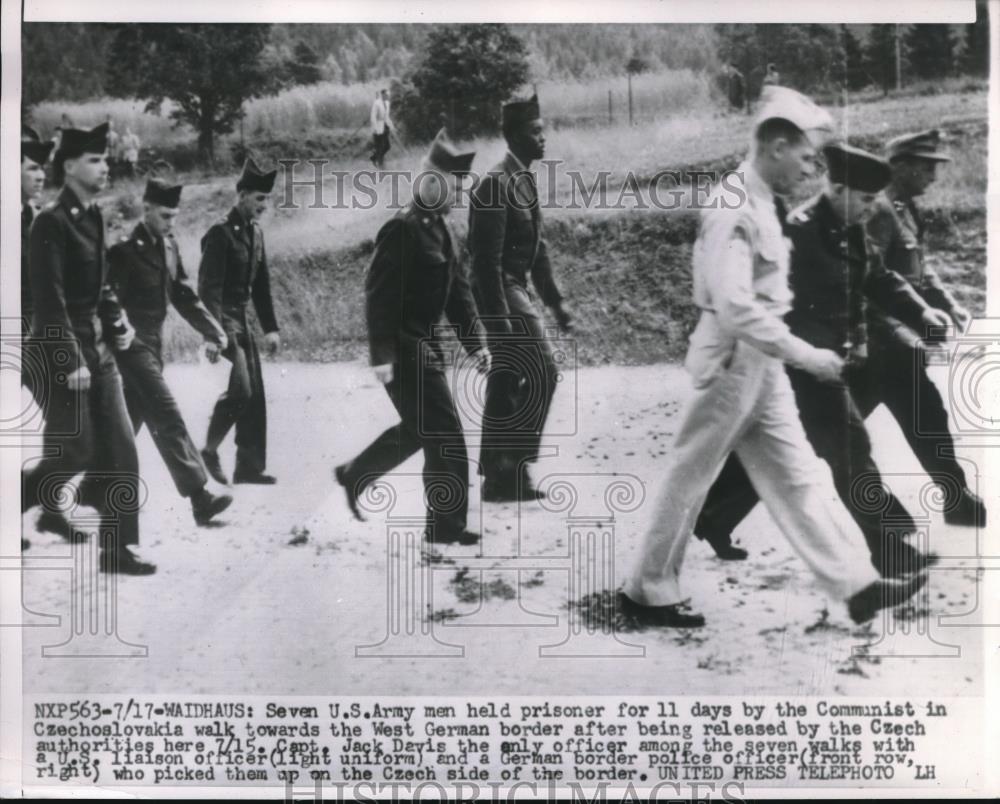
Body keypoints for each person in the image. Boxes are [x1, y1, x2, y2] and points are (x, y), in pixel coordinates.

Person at [619, 89, 926, 628]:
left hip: (761, 362)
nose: (812, 169)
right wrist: (807, 355)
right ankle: (647, 587)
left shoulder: (761, 200)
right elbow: (736, 307)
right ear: (777, 145)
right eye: (806, 157)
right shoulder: (732, 206)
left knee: (798, 474)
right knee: (691, 474)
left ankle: (854, 585)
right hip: (731, 358)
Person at [692, 143, 952, 577]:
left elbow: (877, 277)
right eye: (866, 199)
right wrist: (810, 355)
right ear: (837, 188)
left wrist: (920, 311)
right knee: (851, 450)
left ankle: (713, 516)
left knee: (788, 449)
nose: (872, 209)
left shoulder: (847, 225)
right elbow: (770, 303)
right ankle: (888, 549)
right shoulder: (799, 232)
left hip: (828, 360)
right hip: (800, 364)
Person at [334, 130, 491, 546]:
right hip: (405, 353)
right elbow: (378, 295)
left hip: (427, 349)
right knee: (445, 435)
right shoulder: (401, 229)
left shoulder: (440, 229)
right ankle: (444, 529)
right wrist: (381, 356)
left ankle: (355, 475)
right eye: (455, 187)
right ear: (433, 181)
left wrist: (477, 346)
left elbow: (457, 294)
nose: (459, 195)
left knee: (423, 430)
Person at [22, 122, 155, 575]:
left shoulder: (95, 214)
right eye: (95, 160)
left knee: (121, 447)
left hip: (97, 345)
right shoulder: (49, 222)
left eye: (104, 159)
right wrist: (69, 359)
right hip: (60, 349)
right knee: (75, 451)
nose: (105, 167)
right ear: (70, 166)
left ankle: (118, 550)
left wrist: (118, 321)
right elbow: (48, 300)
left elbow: (100, 286)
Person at [855, 129, 986, 527]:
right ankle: (946, 498)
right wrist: (900, 330)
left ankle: (954, 496)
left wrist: (947, 302)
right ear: (901, 167)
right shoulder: (878, 209)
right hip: (879, 340)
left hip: (898, 341)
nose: (933, 176)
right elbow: (868, 278)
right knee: (827, 430)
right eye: (927, 167)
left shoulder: (904, 208)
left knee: (917, 415)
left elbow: (919, 268)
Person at [107, 177, 233, 526]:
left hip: (155, 343)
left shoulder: (169, 246)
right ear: (146, 209)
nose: (171, 222)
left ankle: (73, 485)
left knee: (124, 427)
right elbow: (107, 297)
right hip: (131, 344)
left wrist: (213, 329)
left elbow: (183, 294)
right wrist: (120, 326)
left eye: (175, 216)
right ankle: (200, 498)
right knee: (167, 415)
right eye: (165, 215)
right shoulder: (124, 250)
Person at [468, 94, 573, 502]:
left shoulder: (524, 180)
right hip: (501, 289)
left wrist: (557, 302)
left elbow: (538, 250)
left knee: (508, 377)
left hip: (516, 289)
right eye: (535, 132)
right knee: (543, 371)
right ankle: (512, 466)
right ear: (513, 136)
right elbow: (484, 263)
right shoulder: (494, 184)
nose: (543, 138)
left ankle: (500, 475)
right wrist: (498, 318)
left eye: (543, 130)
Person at [198, 158, 281, 486]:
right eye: (259, 198)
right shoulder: (219, 233)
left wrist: (271, 327)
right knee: (242, 389)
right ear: (242, 195)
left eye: (267, 199)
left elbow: (261, 286)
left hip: (243, 320)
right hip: (223, 322)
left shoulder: (255, 234)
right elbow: (208, 288)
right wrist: (211, 335)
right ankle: (208, 448)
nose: (264, 205)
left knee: (255, 394)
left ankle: (248, 467)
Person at [19, 127, 54, 551]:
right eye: (32, 168)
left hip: (36, 336)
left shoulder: (36, 215)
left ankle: (51, 510)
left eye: (44, 168)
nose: (41, 175)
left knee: (64, 422)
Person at [370, 89, 393, 169]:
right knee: (380, 146)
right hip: (378, 127)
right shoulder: (377, 103)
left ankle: (374, 157)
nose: (388, 97)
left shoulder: (387, 103)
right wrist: (375, 128)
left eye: (388, 95)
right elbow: (373, 117)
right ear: (382, 95)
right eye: (386, 95)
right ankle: (380, 164)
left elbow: (387, 116)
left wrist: (391, 125)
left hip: (385, 126)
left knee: (387, 146)